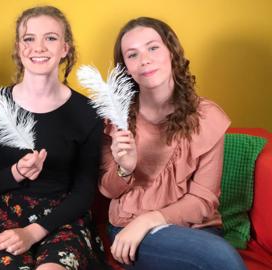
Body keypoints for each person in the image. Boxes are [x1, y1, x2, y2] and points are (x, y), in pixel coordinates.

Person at [0, 6, 107, 270]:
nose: (39, 47)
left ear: (65, 48)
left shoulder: (88, 112)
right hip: (6, 216)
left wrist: (33, 233)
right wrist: (16, 172)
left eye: (50, 38)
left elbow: (84, 193)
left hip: (63, 218)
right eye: (29, 38)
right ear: (18, 47)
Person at [99, 17, 246, 270]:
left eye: (153, 47)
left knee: (218, 255)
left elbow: (203, 200)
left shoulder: (207, 118)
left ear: (171, 52)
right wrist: (125, 168)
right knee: (221, 258)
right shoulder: (115, 119)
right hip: (130, 231)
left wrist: (149, 220)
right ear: (126, 68)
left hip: (194, 229)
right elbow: (108, 191)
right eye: (132, 55)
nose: (144, 59)